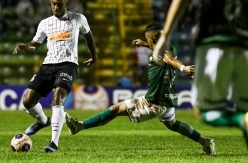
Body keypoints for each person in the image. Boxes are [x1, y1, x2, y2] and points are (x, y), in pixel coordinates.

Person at [65, 22, 216, 155]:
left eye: (149, 39)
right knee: (172, 124)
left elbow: (167, 58)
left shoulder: (160, 53)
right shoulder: (171, 47)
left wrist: (183, 67)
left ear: (152, 39)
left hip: (154, 102)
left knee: (115, 109)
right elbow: (166, 53)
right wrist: (145, 43)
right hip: (167, 99)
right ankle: (204, 141)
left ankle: (80, 126)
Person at [153, 0, 248, 148]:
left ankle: (241, 120)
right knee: (245, 108)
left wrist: (166, 35)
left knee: (205, 112)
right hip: (245, 47)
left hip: (214, 44)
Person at [13, 0, 97, 152]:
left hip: (68, 64)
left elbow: (89, 37)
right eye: (53, 4)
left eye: (59, 4)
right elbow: (34, 46)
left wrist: (94, 56)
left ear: (67, 4)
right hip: (48, 65)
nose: (56, 7)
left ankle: (54, 143)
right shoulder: (45, 23)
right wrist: (25, 46)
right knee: (27, 101)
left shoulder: (78, 18)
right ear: (50, 4)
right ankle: (43, 121)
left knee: (57, 97)